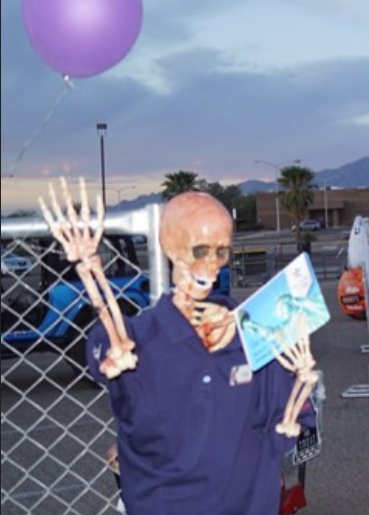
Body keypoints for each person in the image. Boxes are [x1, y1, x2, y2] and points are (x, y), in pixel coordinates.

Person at [38, 178, 317, 515]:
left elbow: (290, 422)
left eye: (222, 251)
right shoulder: (141, 338)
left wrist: (296, 398)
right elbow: (104, 346)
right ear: (171, 249)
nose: (211, 264)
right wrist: (107, 347)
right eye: (200, 250)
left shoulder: (258, 328)